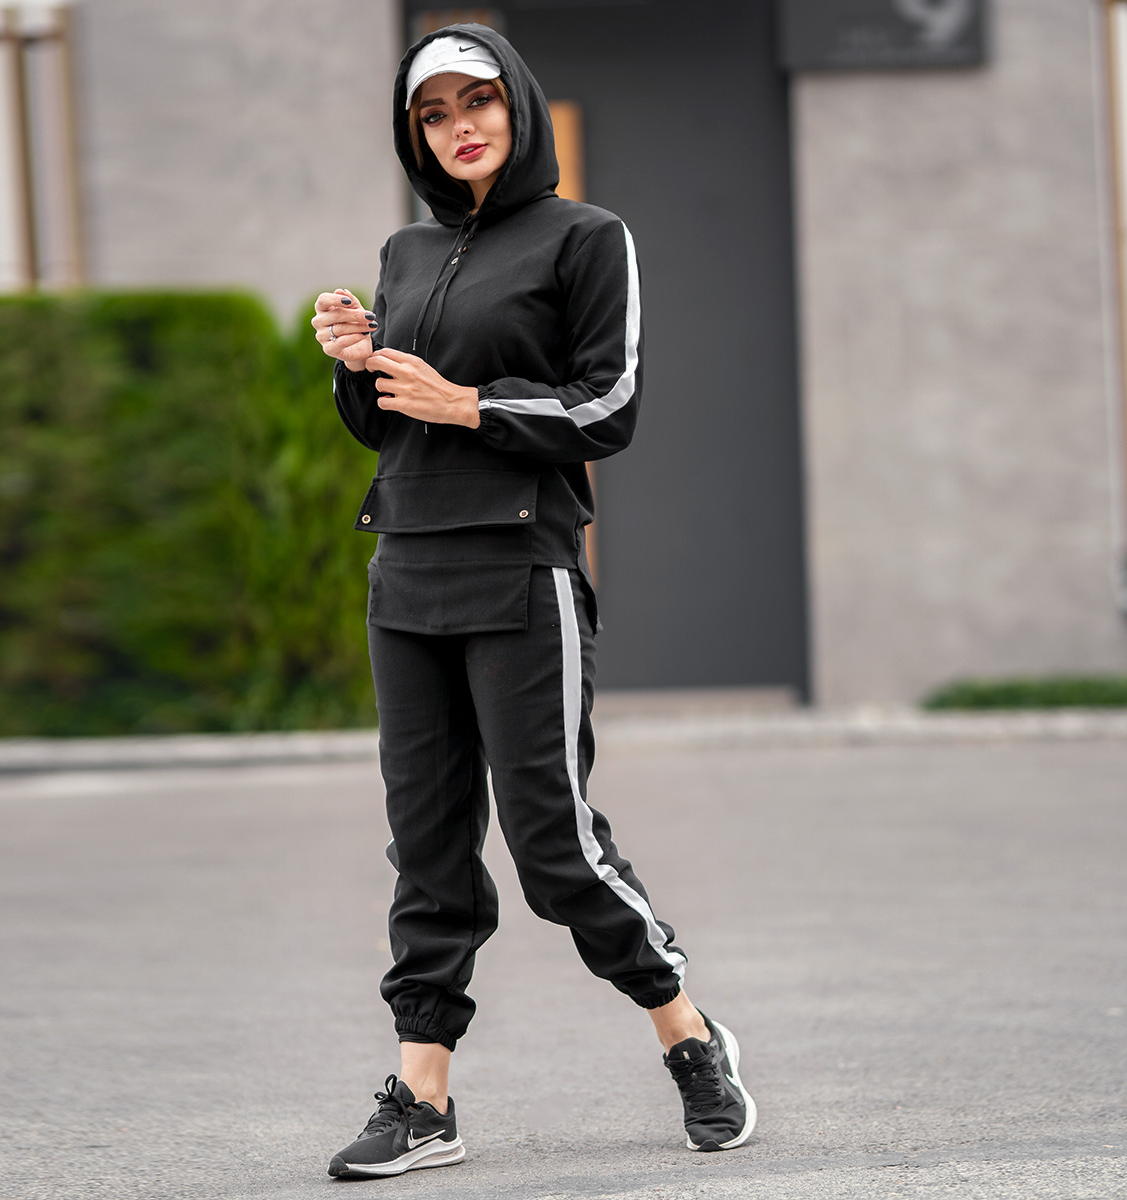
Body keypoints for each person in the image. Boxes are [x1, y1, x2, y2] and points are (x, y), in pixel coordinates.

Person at [311, 23, 756, 1179]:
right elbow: (389, 424)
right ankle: (423, 1101)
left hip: (521, 567)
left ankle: (689, 1034)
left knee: (552, 846)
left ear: (518, 105)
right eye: (433, 114)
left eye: (478, 103)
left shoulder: (586, 238)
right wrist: (357, 364)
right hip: (405, 565)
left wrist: (468, 403)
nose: (458, 128)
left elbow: (609, 405)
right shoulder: (407, 251)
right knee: (427, 849)